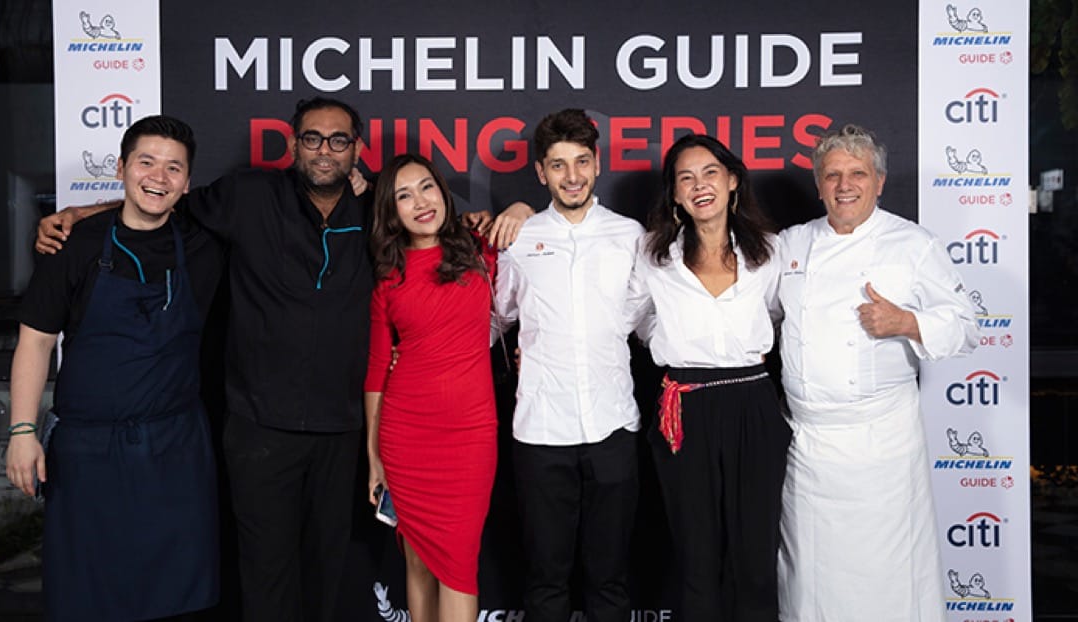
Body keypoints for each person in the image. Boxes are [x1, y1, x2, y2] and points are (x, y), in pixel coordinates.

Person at [35, 97, 530, 621]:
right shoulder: (248, 194)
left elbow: (444, 227)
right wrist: (81, 216)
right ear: (293, 145)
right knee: (266, 576)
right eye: (313, 138)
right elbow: (160, 203)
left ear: (356, 151)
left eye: (339, 140)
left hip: (341, 431)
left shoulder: (376, 212)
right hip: (258, 428)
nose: (325, 150)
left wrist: (514, 211)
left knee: (331, 575)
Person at [6, 115, 224, 621]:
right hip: (88, 456)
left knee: (176, 599)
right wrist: (21, 430)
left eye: (174, 168)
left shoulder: (204, 244)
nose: (159, 176)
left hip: (175, 452)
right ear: (122, 167)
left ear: (187, 183)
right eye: (146, 162)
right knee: (87, 599)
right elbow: (35, 342)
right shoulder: (74, 245)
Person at [774, 124, 979, 621]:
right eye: (832, 175)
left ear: (880, 181)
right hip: (808, 444)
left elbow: (967, 328)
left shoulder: (913, 244)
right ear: (818, 184)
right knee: (810, 576)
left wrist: (907, 322)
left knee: (888, 577)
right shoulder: (792, 244)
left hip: (883, 445)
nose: (845, 185)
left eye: (857, 174)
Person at [494, 108, 649, 622]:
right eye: (558, 165)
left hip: (613, 427)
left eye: (581, 161)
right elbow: (495, 320)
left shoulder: (631, 236)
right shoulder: (519, 238)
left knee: (610, 580)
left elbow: (647, 320)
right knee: (545, 581)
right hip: (540, 432)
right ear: (541, 172)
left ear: (597, 162)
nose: (573, 176)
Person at [635, 133, 792, 621]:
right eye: (686, 178)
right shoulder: (652, 256)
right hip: (684, 408)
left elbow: (780, 314)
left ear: (732, 181)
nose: (699, 185)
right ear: (675, 195)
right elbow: (640, 322)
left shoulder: (771, 251)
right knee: (696, 558)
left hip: (753, 404)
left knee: (755, 558)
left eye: (709, 173)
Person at [364, 153, 498, 622]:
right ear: (391, 210)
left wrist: (519, 209)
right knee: (417, 559)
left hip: (470, 435)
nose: (420, 202)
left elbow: (527, 236)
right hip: (406, 435)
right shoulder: (389, 278)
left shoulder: (480, 247)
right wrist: (374, 455)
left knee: (459, 565)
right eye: (404, 195)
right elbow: (378, 368)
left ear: (443, 193)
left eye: (427, 187)